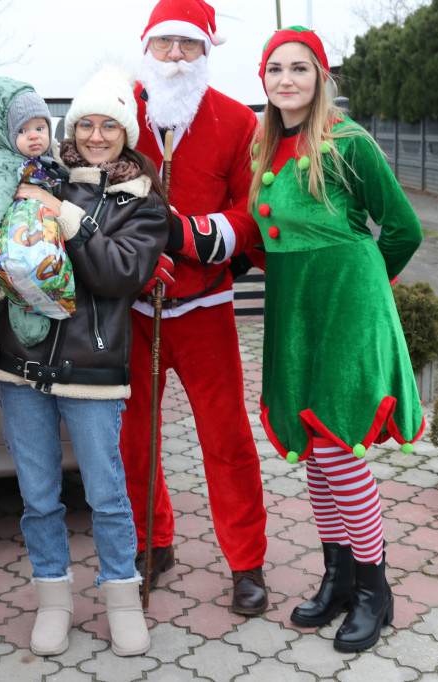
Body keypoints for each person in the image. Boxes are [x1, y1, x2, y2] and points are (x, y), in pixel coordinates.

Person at [0, 66, 171, 658]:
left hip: (92, 370)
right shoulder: (36, 172)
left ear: (126, 135)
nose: (94, 135)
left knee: (107, 494)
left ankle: (120, 594)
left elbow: (118, 274)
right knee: (38, 495)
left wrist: (65, 216)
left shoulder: (143, 204)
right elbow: (0, 245)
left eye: (108, 125)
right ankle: (54, 601)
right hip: (22, 366)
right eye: (85, 123)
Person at [250, 27, 424, 653]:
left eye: (300, 68)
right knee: (315, 452)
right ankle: (339, 577)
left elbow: (402, 228)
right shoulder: (264, 147)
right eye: (275, 69)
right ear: (263, 80)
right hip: (294, 308)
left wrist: (366, 289)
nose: (287, 79)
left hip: (345, 303)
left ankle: (377, 590)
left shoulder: (347, 143)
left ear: (321, 77)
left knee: (339, 450)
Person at [119, 0, 270, 615]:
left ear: (208, 52)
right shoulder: (120, 109)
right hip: (129, 309)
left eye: (189, 46)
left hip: (205, 306)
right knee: (132, 437)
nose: (176, 58)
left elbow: (250, 208)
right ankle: (150, 541)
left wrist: (188, 233)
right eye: (166, 45)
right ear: (146, 47)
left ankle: (246, 562)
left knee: (228, 437)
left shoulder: (237, 122)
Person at [0, 77, 68, 348]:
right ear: (4, 133)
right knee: (15, 288)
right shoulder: (3, 164)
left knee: (20, 280)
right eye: (23, 131)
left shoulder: (50, 162)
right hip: (9, 245)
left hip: (38, 243)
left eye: (40, 126)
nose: (34, 135)